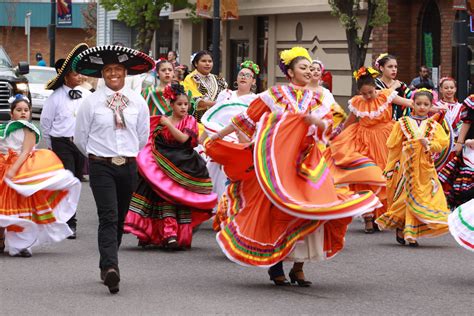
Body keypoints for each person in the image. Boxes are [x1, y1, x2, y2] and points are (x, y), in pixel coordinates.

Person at [205, 47, 380, 286]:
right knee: (276, 211)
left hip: (309, 162)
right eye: (303, 67)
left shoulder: (319, 97)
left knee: (313, 208)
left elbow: (329, 127)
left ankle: (299, 267)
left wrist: (315, 121)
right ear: (289, 71)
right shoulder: (274, 94)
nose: (308, 72)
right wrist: (216, 136)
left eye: (310, 68)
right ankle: (276, 263)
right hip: (277, 164)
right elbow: (246, 120)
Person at [73, 45, 153, 294]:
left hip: (127, 166)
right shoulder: (91, 102)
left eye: (118, 69)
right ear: (102, 73)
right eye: (108, 69)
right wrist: (98, 157)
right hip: (101, 166)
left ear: (125, 72)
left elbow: (142, 136)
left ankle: (107, 261)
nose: (113, 73)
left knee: (119, 218)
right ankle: (111, 268)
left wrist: (126, 154)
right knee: (107, 216)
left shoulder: (138, 102)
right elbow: (80, 137)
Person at [124, 83, 217, 249]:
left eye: (186, 104)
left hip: (184, 166)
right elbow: (151, 140)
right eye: (179, 104)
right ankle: (163, 234)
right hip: (162, 166)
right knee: (161, 199)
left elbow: (184, 140)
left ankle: (173, 234)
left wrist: (168, 125)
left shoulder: (189, 121)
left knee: (178, 201)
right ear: (171, 105)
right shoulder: (162, 121)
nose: (183, 107)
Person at [328, 66, 413, 233]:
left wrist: (429, 107)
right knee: (365, 177)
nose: (368, 96)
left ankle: (383, 214)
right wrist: (337, 134)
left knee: (386, 175)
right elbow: (350, 122)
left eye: (371, 92)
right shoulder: (357, 102)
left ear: (376, 88)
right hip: (364, 140)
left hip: (386, 139)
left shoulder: (386, 96)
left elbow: (409, 103)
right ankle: (368, 216)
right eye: (364, 93)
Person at [0, 94, 81, 257]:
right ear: (11, 113)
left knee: (21, 209)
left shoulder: (28, 129)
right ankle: (1, 239)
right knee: (3, 208)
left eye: (26, 110)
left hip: (21, 172)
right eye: (19, 110)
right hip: (3, 169)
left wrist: (13, 169)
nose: (23, 113)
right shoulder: (5, 128)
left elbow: (25, 152)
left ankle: (22, 244)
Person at [376, 89, 450, 247]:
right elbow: (393, 146)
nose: (422, 107)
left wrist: (429, 144)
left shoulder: (433, 125)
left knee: (425, 195)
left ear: (431, 106)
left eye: (426, 104)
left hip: (424, 167)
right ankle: (403, 228)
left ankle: (412, 230)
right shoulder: (402, 123)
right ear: (412, 104)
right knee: (405, 196)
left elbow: (441, 144)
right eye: (419, 104)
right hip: (405, 167)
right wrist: (390, 167)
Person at [40, 43, 91, 239]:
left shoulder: (86, 95)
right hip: (61, 143)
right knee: (68, 180)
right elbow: (45, 122)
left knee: (77, 181)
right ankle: (70, 222)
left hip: (79, 143)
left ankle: (64, 216)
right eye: (76, 74)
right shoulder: (55, 98)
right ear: (67, 77)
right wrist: (51, 145)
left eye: (80, 73)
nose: (80, 77)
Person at [438, 95, 474, 208]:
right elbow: (466, 122)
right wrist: (460, 142)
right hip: (471, 148)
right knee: (466, 190)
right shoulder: (472, 101)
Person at [183, 50, 227, 122]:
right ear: (196, 63)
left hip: (217, 120)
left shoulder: (218, 79)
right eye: (203, 61)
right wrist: (219, 103)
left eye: (210, 61)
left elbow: (226, 96)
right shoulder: (190, 78)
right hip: (198, 121)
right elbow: (196, 101)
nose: (207, 64)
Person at [308, 59, 346, 128]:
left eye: (318, 70)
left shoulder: (326, 92)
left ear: (321, 74)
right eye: (312, 69)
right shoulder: (304, 91)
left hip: (323, 128)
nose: (316, 71)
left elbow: (334, 108)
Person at [374, 53, 412, 120]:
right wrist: (394, 86)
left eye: (395, 67)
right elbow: (384, 98)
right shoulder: (375, 84)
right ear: (381, 68)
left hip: (399, 124)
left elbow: (410, 104)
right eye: (390, 66)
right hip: (380, 124)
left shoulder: (402, 86)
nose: (394, 69)